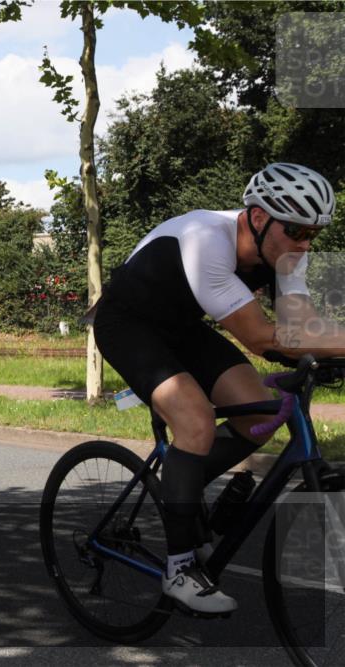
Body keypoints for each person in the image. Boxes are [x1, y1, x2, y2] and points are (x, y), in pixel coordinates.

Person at [93, 163, 345, 615]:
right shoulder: (206, 239)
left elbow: (300, 329)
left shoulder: (286, 252)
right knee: (195, 419)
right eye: (296, 230)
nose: (304, 243)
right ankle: (179, 569)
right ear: (258, 217)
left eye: (312, 234)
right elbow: (261, 337)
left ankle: (181, 493)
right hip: (127, 325)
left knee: (262, 414)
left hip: (182, 327)